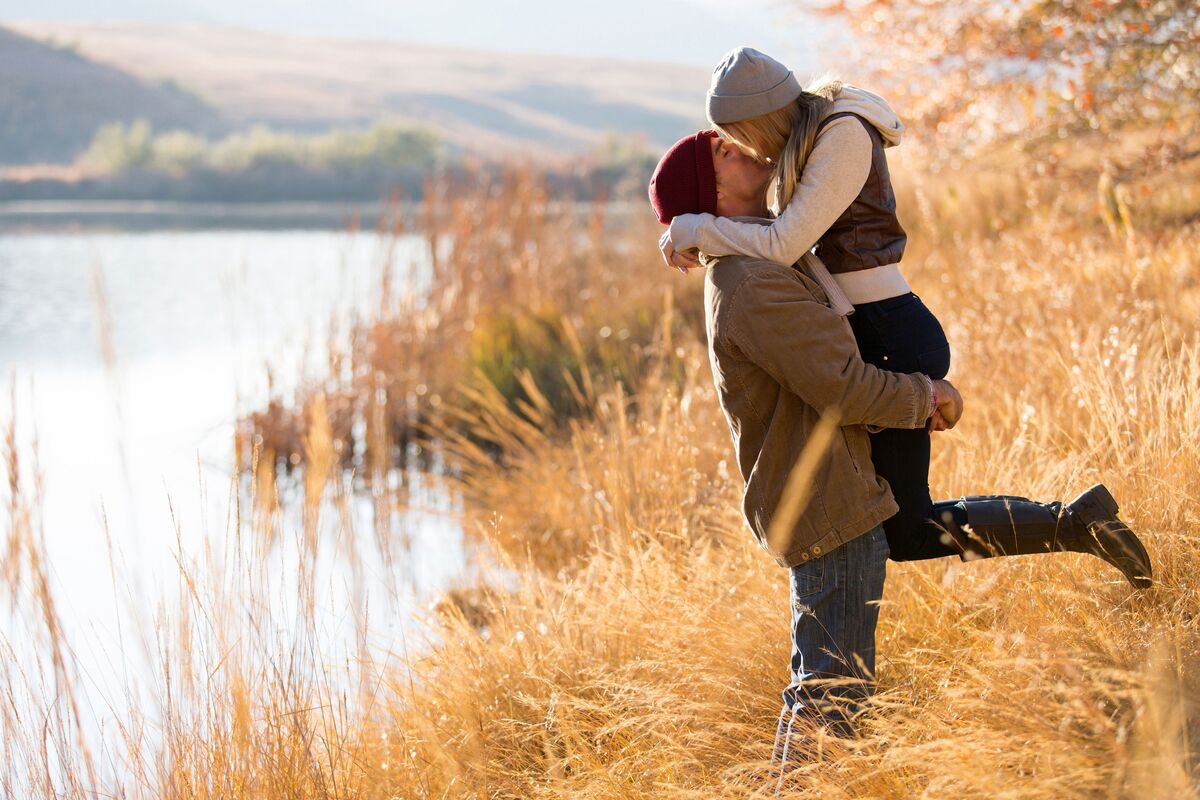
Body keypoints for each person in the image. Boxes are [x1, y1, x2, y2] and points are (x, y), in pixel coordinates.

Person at [646, 129, 1153, 778]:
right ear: (711, 191)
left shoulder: (766, 251)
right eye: (723, 151)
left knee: (841, 665)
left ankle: (1079, 523)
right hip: (827, 504)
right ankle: (1078, 523)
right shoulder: (751, 283)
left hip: (842, 483)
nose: (742, 143)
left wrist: (691, 227)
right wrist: (925, 396)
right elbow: (842, 387)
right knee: (832, 694)